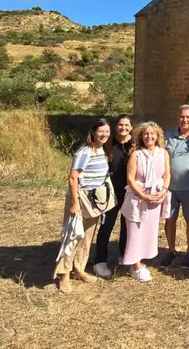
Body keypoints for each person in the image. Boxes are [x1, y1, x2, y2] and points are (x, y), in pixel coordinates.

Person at [54, 119, 111, 294]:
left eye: (107, 132)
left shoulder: (101, 150)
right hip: (81, 198)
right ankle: (63, 276)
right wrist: (74, 203)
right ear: (93, 132)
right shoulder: (84, 152)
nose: (104, 135)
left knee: (87, 237)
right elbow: (73, 178)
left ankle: (79, 269)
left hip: (94, 200)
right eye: (101, 131)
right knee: (72, 236)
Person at [120, 122, 171, 282]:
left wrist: (163, 190)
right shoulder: (136, 154)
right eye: (146, 134)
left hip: (155, 197)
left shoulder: (163, 153)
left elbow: (167, 175)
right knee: (135, 231)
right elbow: (130, 178)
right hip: (138, 198)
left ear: (157, 136)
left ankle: (142, 259)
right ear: (141, 136)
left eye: (152, 134)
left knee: (149, 231)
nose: (149, 136)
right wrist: (142, 195)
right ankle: (135, 266)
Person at [162, 105, 189, 270]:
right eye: (182, 116)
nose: (185, 120)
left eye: (188, 117)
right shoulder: (168, 135)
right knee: (170, 219)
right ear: (178, 117)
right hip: (170, 187)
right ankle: (171, 250)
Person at [92, 114, 132, 278]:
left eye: (127, 125)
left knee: (126, 225)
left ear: (131, 127)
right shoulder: (108, 144)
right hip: (110, 192)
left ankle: (124, 254)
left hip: (129, 192)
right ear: (116, 127)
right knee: (106, 225)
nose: (123, 128)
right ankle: (99, 261)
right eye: (120, 125)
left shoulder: (134, 144)